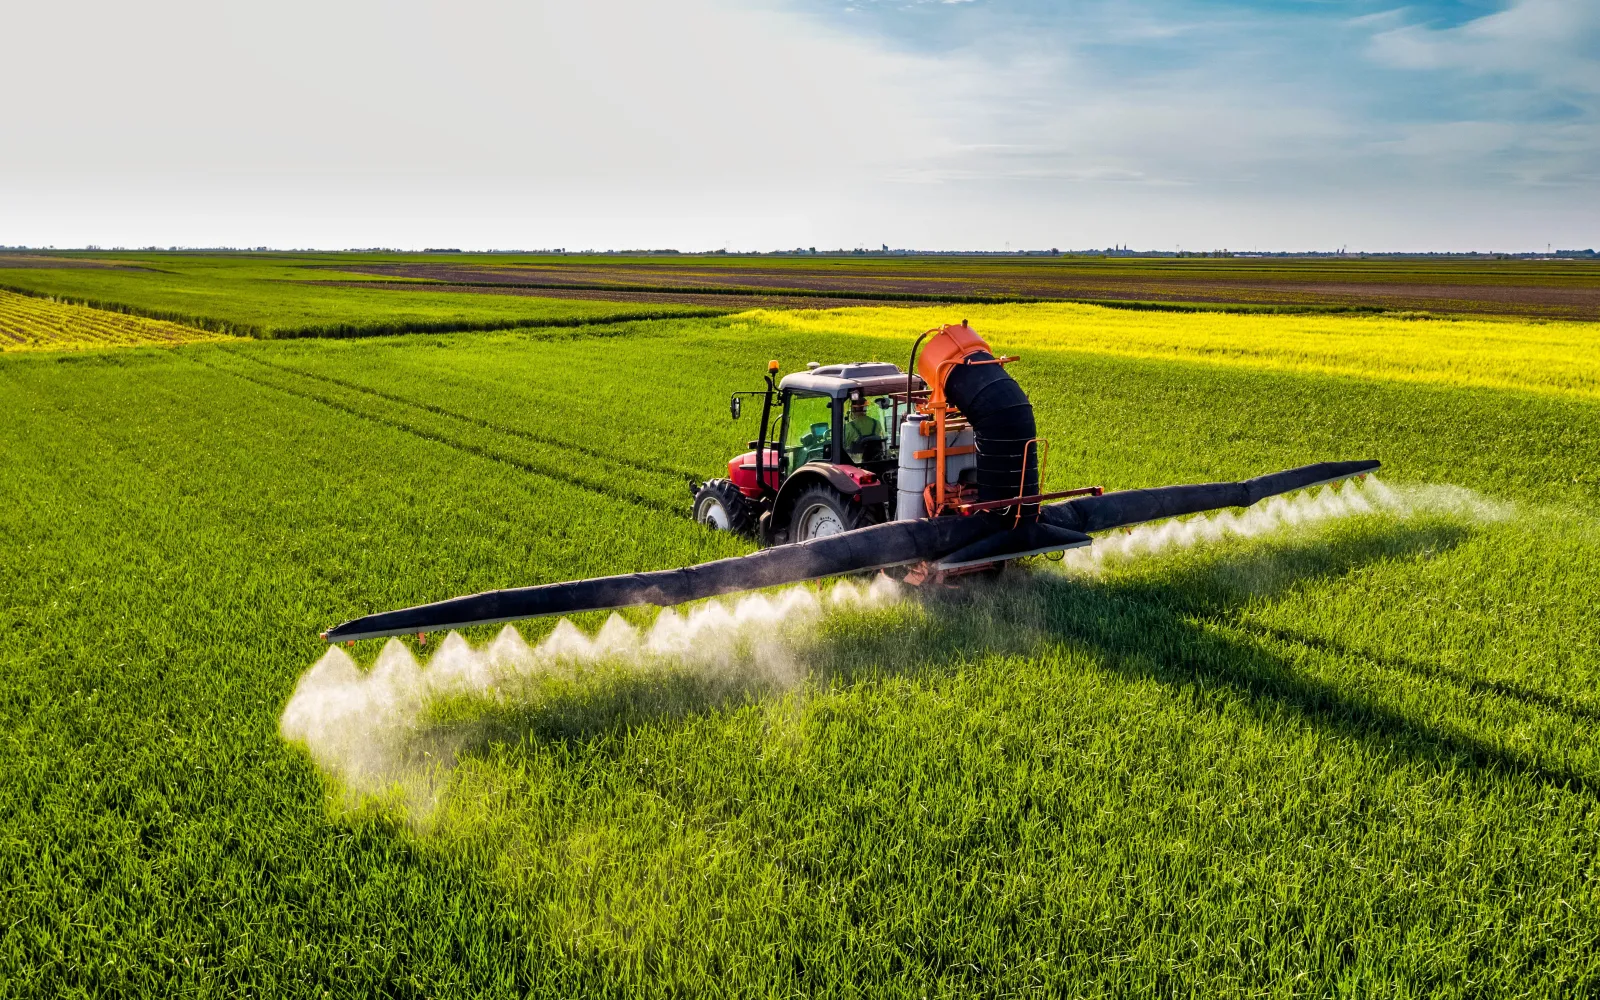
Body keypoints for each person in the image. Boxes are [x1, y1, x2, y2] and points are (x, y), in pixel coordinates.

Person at [843, 396, 883, 461]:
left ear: (853, 409)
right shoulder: (877, 423)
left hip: (857, 463)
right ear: (865, 408)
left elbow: (843, 446)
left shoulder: (849, 427)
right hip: (876, 461)